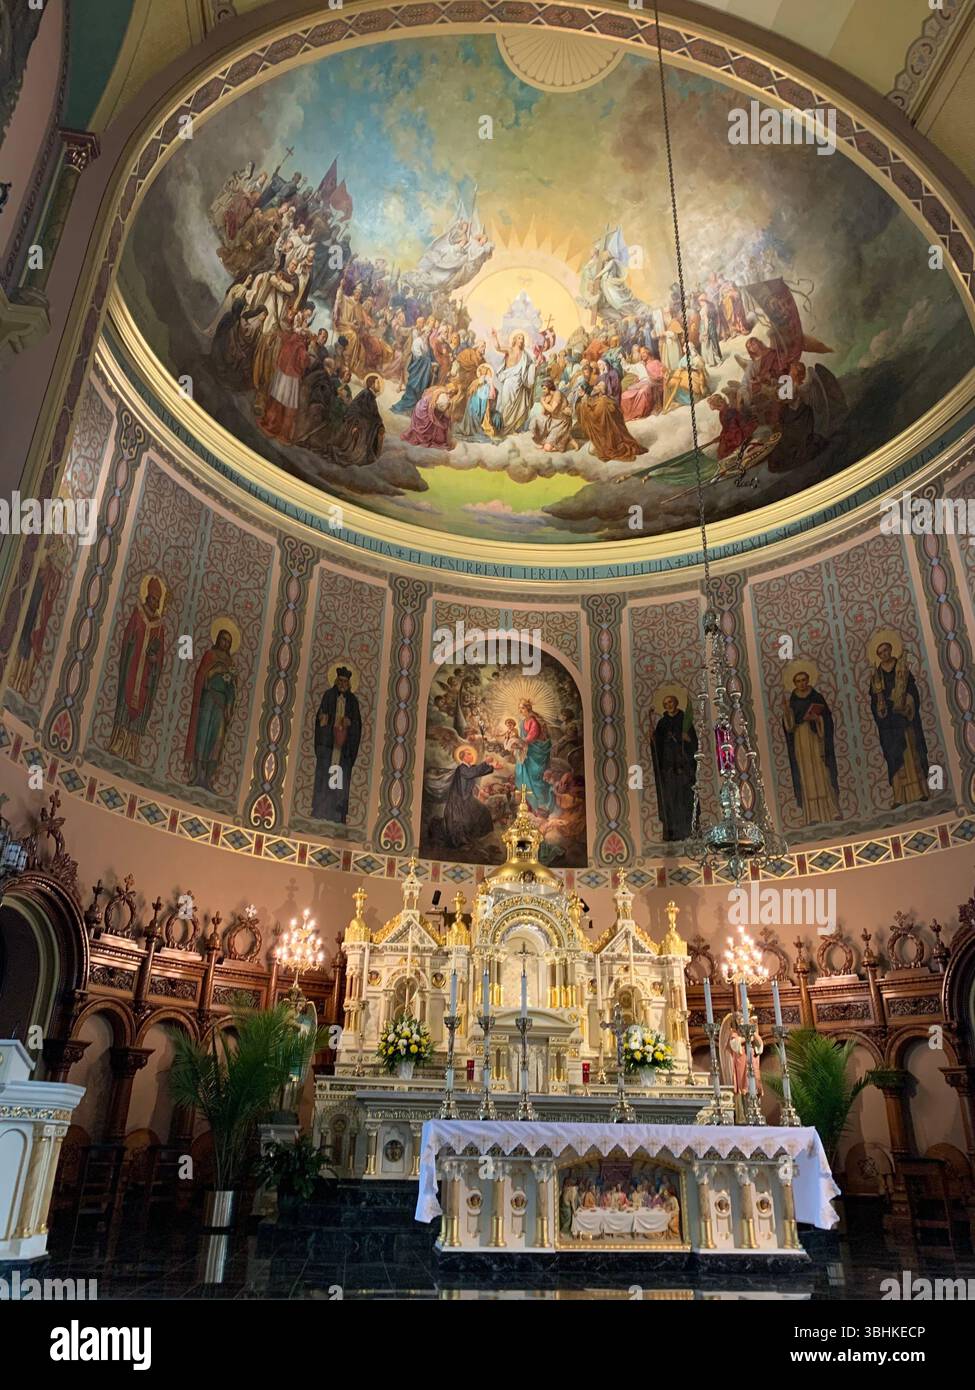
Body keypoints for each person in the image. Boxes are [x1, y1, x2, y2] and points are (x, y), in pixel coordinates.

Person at [109, 576, 166, 764]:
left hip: (146, 675)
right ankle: (117, 743)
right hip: (133, 668)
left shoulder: (159, 626)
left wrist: (155, 659)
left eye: (158, 601)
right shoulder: (138, 614)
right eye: (152, 599)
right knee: (125, 701)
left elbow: (161, 654)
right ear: (147, 597)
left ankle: (132, 750)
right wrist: (132, 643)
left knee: (142, 708)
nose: (155, 603)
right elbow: (127, 638)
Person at [869, 640, 929, 806]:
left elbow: (912, 691)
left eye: (886, 650)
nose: (884, 654)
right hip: (889, 724)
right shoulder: (876, 676)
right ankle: (899, 797)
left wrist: (907, 704)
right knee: (894, 756)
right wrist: (880, 709)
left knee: (911, 751)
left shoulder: (901, 669)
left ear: (891, 650)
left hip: (904, 718)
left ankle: (921, 791)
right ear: (878, 655)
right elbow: (874, 701)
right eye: (881, 652)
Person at [783, 670, 840, 823]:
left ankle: (832, 809)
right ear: (794, 683)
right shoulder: (793, 701)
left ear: (808, 680)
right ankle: (813, 815)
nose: (801, 683)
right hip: (801, 740)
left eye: (804, 680)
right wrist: (787, 713)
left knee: (822, 772)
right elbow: (789, 727)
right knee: (806, 774)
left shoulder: (817, 697)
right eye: (798, 681)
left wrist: (818, 719)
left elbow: (827, 718)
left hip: (816, 737)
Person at [184, 628, 237, 792]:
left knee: (217, 739)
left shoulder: (230, 663)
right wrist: (214, 671)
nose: (225, 643)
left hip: (220, 704)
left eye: (228, 642)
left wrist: (229, 705)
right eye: (223, 639)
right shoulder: (210, 655)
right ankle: (196, 775)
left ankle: (208, 779)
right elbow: (201, 676)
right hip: (208, 699)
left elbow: (232, 688)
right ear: (218, 640)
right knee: (202, 735)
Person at [312, 666, 362, 823]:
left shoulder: (353, 701)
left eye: (345, 682)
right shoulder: (328, 695)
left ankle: (336, 812)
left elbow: (357, 724)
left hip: (343, 748)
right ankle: (321, 809)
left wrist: (350, 723)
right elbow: (321, 716)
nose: (342, 684)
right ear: (336, 681)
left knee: (339, 777)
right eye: (340, 681)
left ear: (349, 684)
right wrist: (323, 720)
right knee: (325, 775)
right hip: (328, 744)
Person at [650, 694, 698, 841]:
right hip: (669, 768)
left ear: (676, 702)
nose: (668, 705)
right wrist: (653, 739)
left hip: (684, 767)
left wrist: (687, 738)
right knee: (671, 799)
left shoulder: (685, 720)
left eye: (670, 702)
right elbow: (657, 745)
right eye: (665, 703)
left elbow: (695, 744)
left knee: (686, 797)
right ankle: (672, 831)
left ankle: (691, 829)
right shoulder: (662, 723)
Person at [575, 380, 645, 462]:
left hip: (605, 429)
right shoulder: (583, 403)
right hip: (601, 429)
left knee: (594, 450)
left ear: (585, 390)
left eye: (580, 390)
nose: (578, 392)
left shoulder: (595, 401)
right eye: (578, 390)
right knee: (592, 450)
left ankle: (609, 444)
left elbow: (597, 416)